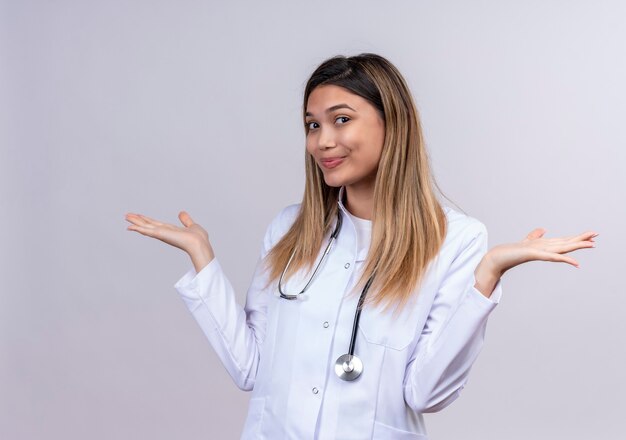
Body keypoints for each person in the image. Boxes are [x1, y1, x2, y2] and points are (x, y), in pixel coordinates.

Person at [124, 53, 597, 439]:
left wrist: (487, 277)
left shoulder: (456, 239)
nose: (322, 141)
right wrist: (203, 261)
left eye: (341, 120)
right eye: (312, 125)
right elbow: (252, 370)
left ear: (393, 124)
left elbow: (425, 394)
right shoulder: (290, 230)